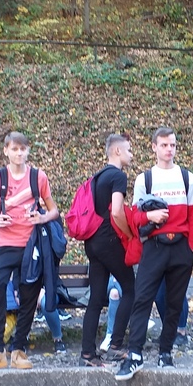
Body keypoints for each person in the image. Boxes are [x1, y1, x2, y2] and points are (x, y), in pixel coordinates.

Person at [0, 132, 60, 373]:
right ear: (6, 151)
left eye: (23, 149)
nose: (19, 153)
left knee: (29, 295)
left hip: (31, 245)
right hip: (5, 243)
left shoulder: (38, 177)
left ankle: (18, 349)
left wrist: (41, 217)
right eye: (14, 149)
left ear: (28, 151)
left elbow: (54, 211)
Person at [115, 127, 193, 381]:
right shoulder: (145, 179)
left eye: (172, 145)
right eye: (164, 145)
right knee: (142, 299)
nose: (169, 149)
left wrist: (191, 247)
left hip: (181, 248)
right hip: (154, 247)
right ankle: (135, 354)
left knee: (174, 303)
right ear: (154, 147)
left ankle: (166, 352)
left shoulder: (187, 177)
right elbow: (134, 218)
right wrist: (149, 216)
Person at [80, 133, 137, 368]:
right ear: (117, 151)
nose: (131, 154)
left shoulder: (98, 176)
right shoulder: (117, 176)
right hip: (108, 240)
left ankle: (87, 353)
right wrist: (129, 234)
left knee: (96, 298)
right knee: (130, 289)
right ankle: (115, 346)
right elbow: (116, 211)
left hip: (92, 242)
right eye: (129, 150)